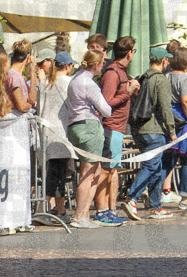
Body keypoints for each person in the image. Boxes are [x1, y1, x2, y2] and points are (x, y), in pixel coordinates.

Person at [123, 47, 176, 221]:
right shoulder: (160, 79)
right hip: (154, 129)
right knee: (151, 166)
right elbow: (166, 107)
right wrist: (172, 131)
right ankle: (131, 198)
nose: (168, 62)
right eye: (167, 59)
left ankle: (155, 207)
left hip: (138, 129)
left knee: (157, 167)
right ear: (163, 61)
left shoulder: (142, 77)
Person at [65, 49, 113, 229]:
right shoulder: (89, 83)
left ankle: (84, 214)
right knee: (88, 172)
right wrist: (98, 110)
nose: (103, 66)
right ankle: (79, 215)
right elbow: (107, 110)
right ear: (97, 64)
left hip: (74, 125)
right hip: (89, 126)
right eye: (102, 63)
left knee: (95, 170)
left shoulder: (74, 79)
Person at [93, 36, 138, 226]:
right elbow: (106, 102)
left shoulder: (122, 72)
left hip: (119, 127)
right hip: (111, 126)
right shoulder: (112, 73)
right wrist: (128, 92)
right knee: (105, 170)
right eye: (133, 51)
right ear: (129, 53)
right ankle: (101, 211)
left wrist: (131, 91)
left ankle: (108, 210)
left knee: (112, 170)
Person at [36, 51, 74, 217]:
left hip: (45, 132)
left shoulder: (44, 83)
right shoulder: (68, 83)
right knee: (56, 174)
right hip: (61, 132)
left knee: (56, 172)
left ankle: (60, 209)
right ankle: (41, 209)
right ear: (68, 66)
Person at [164, 46, 187, 209]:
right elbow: (186, 102)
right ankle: (185, 199)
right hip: (184, 124)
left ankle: (154, 194)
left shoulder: (165, 77)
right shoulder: (185, 79)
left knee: (167, 161)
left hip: (169, 122)